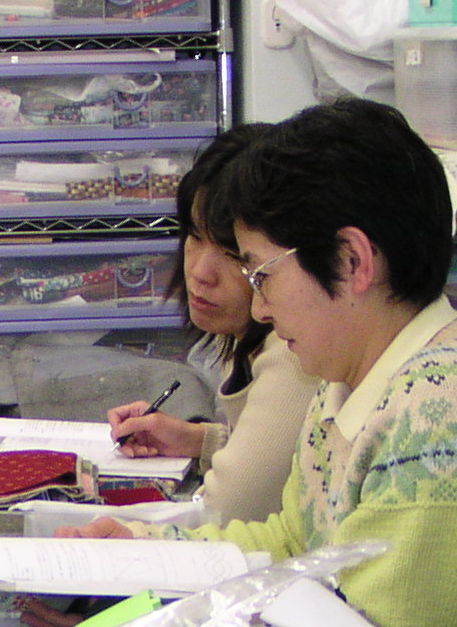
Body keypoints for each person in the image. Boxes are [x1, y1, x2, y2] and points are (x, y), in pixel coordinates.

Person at [69, 99, 457, 627]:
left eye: (262, 275)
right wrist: (145, 551)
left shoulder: (446, 411)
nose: (259, 310)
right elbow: (291, 543)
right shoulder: (350, 379)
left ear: (352, 261)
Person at [105, 124, 317, 524]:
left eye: (234, 254)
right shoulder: (241, 334)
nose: (200, 272)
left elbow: (227, 512)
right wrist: (199, 441)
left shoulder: (293, 353)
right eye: (195, 236)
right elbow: (286, 463)